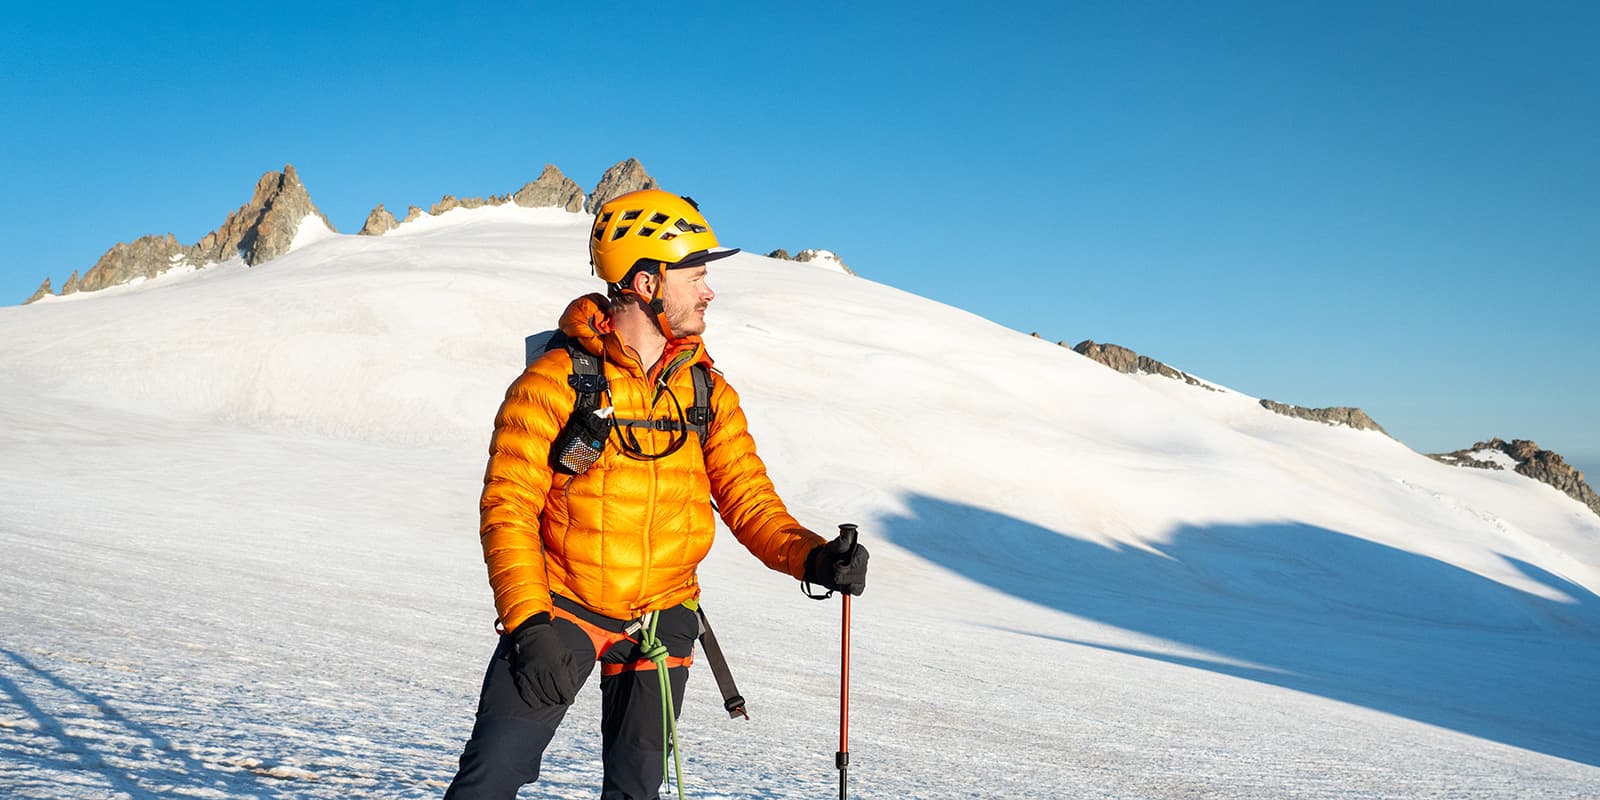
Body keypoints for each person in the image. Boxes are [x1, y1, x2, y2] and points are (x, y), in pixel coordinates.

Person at [445, 189, 869, 800]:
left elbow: (750, 502)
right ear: (646, 283)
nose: (708, 290)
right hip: (560, 610)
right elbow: (507, 509)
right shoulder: (554, 382)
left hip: (661, 621)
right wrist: (528, 622)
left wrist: (816, 558)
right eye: (695, 275)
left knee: (635, 792)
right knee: (488, 780)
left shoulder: (705, 391)